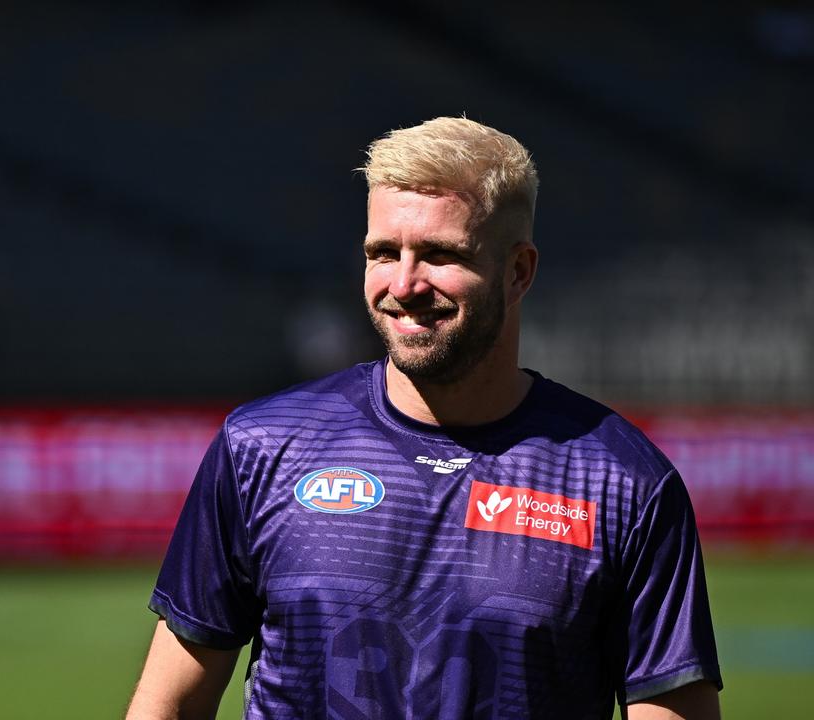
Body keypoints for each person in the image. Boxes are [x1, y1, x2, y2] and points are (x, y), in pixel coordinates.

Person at [127, 117, 722, 719]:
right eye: (383, 252)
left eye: (440, 255)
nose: (404, 284)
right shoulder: (261, 447)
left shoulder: (624, 483)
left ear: (519, 272)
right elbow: (167, 706)